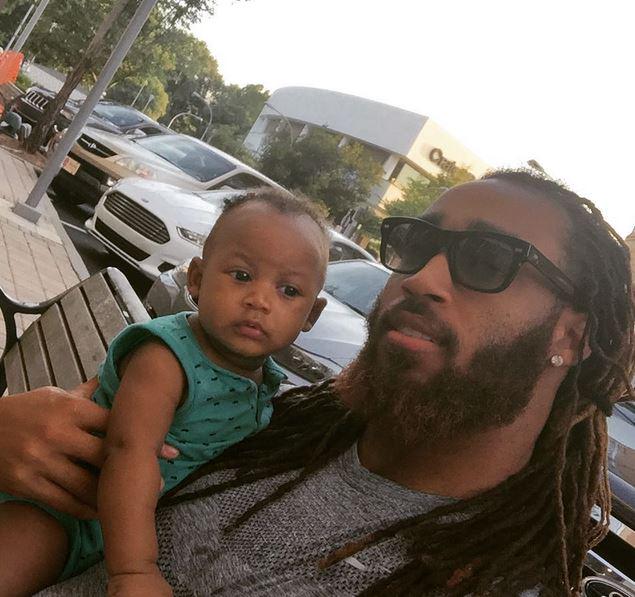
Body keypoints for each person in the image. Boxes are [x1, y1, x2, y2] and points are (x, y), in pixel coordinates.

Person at [0, 169, 632, 596]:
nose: (421, 278)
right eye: (416, 243)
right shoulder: (278, 418)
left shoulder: (484, 577)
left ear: (570, 336)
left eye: (489, 260)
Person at [0, 191, 329, 596]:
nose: (259, 301)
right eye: (242, 275)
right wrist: (134, 572)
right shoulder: (166, 359)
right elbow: (129, 452)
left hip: (108, 526)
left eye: (289, 291)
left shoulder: (266, 383)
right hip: (57, 505)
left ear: (311, 314)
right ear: (197, 279)